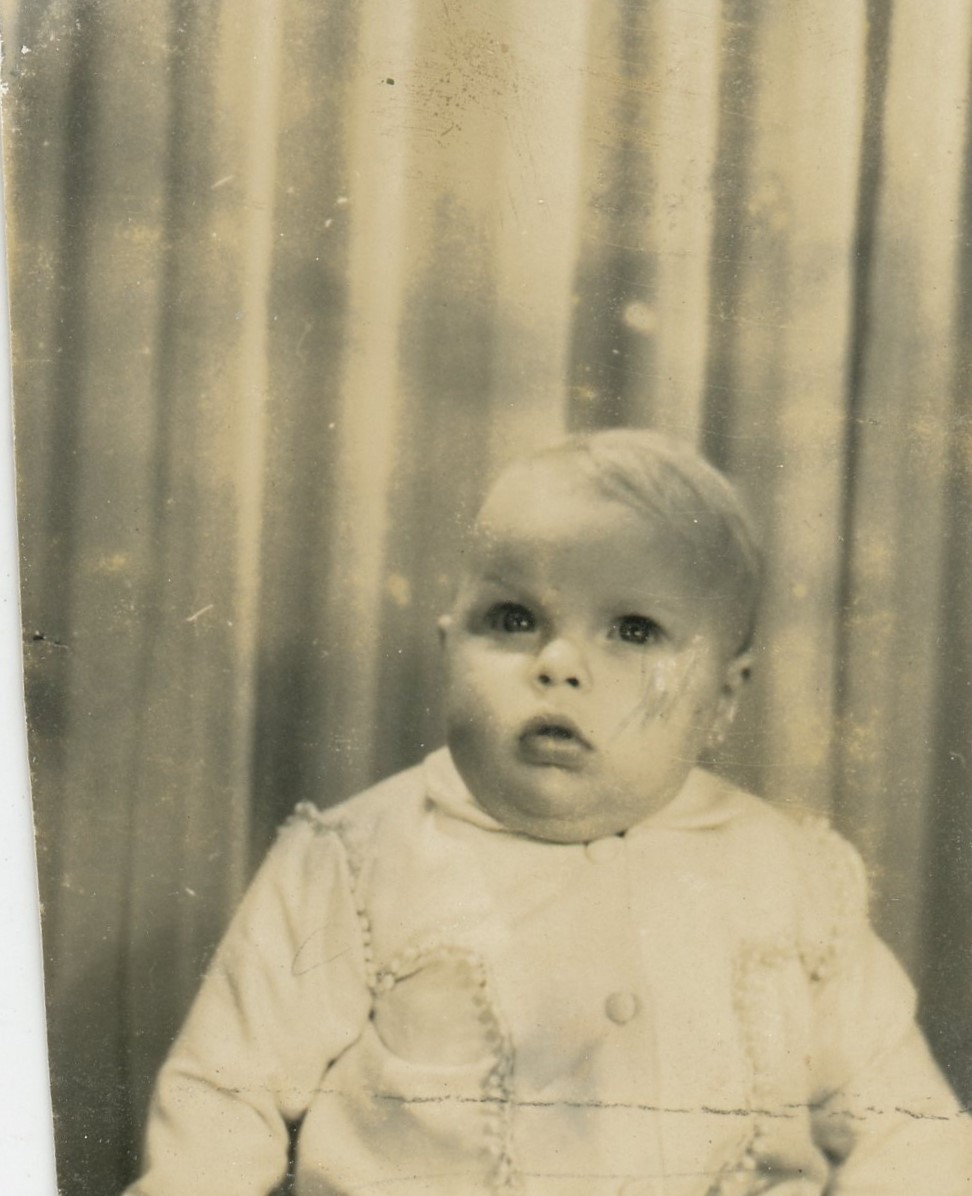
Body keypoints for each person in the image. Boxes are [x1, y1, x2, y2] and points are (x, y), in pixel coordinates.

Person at [125, 430, 972, 1195]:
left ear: (722, 698)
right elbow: (220, 1106)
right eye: (515, 618)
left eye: (633, 631)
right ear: (449, 647)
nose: (559, 663)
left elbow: (911, 1131)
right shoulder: (356, 861)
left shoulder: (789, 878)